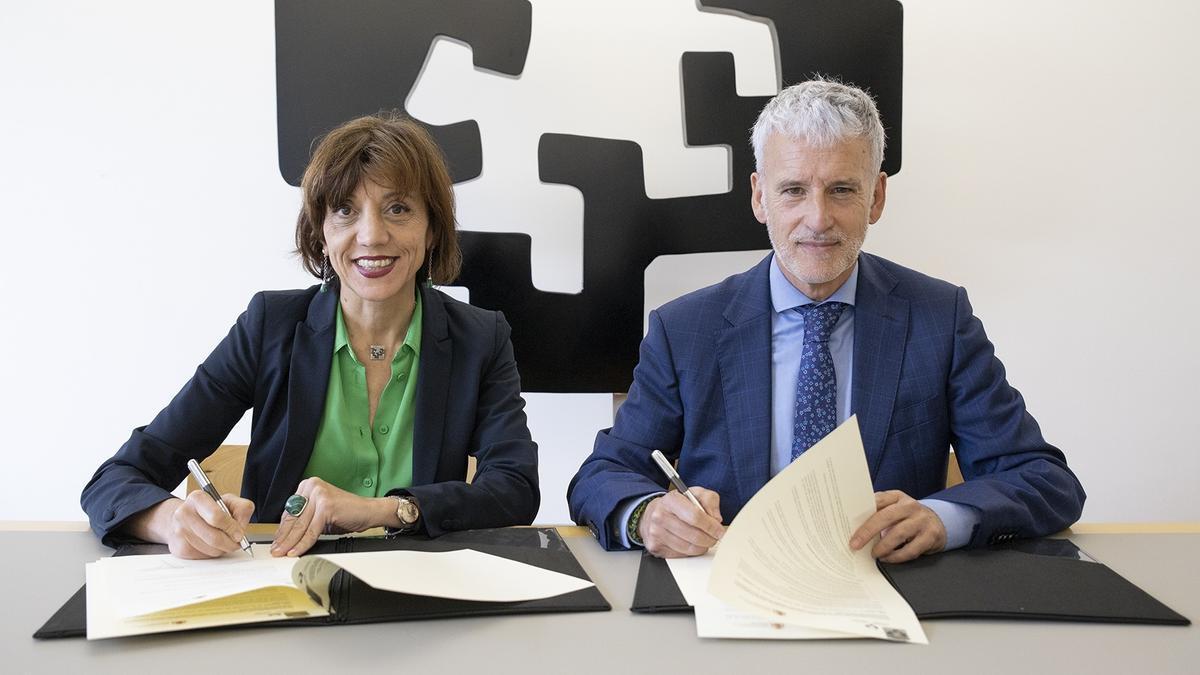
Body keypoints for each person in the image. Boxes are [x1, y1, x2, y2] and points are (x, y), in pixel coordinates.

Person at [567, 79, 1085, 561]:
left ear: (876, 197)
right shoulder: (685, 330)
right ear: (759, 197)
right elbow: (602, 475)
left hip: (887, 592)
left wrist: (941, 518)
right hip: (729, 589)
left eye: (841, 190)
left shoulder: (939, 319)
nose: (818, 219)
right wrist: (647, 516)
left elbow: (1043, 479)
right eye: (793, 189)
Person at [82, 114, 539, 558]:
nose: (372, 235)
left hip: (421, 591)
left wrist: (388, 510)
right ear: (320, 233)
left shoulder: (481, 337)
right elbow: (117, 478)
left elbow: (515, 487)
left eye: (398, 209)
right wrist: (172, 520)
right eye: (345, 211)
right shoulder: (269, 325)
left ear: (433, 227)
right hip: (281, 582)